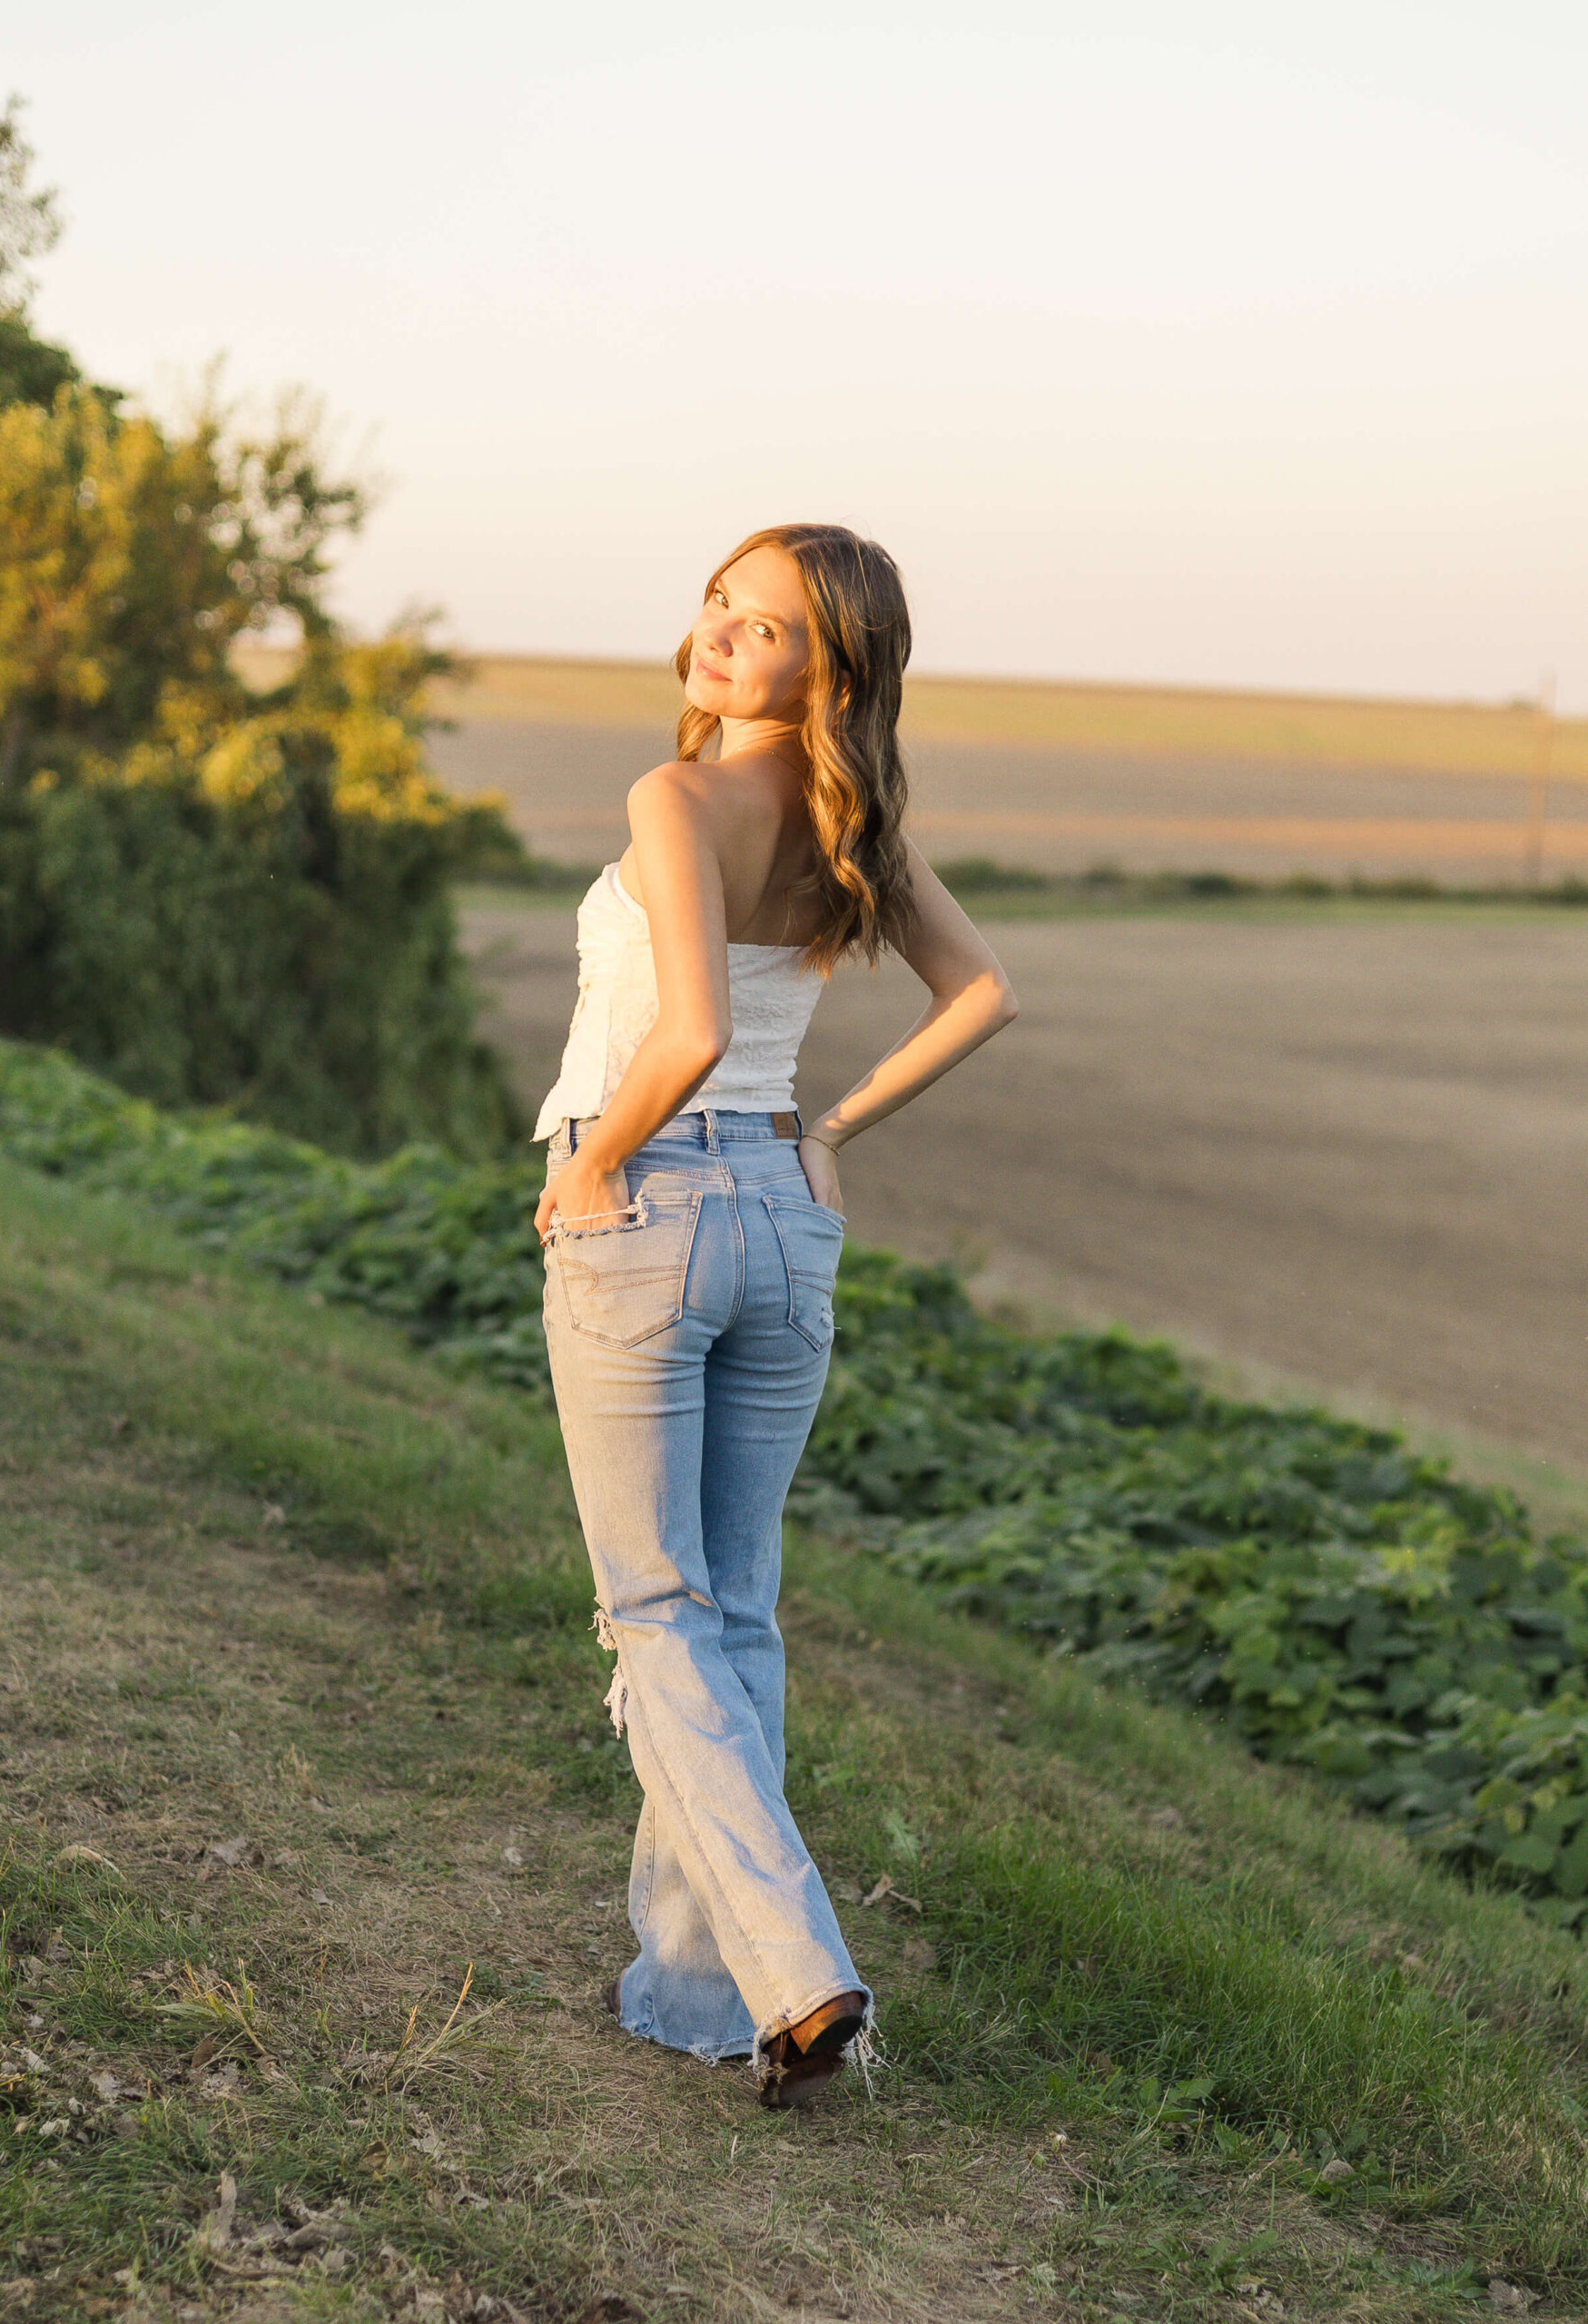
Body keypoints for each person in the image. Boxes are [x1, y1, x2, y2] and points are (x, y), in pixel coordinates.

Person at [533, 524, 1017, 2107]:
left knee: (655, 1613)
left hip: (651, 1205)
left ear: (836, 667)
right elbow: (981, 992)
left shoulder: (671, 801)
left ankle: (803, 1978)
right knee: (732, 1613)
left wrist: (589, 1163)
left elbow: (688, 1026)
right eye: (720, 606)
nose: (722, 636)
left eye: (769, 630)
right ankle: (692, 1994)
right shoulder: (847, 817)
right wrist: (827, 1133)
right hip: (787, 1229)